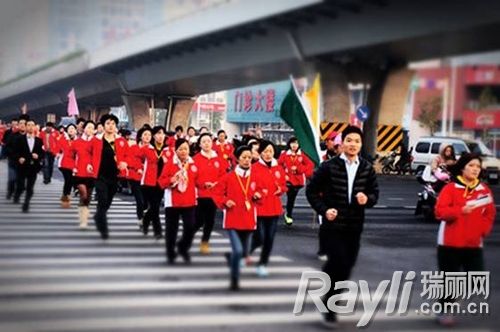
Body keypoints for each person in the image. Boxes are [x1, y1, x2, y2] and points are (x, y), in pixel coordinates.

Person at [306, 125, 379, 328]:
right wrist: (324, 210)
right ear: (342, 143)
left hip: (354, 225)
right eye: (349, 140)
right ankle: (330, 308)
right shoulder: (329, 167)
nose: (352, 144)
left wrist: (367, 199)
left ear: (361, 144)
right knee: (338, 261)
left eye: (356, 141)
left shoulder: (366, 168)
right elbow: (311, 191)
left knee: (347, 266)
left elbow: (374, 193)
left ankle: (328, 296)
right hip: (333, 225)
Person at [434, 153, 495, 326]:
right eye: (471, 165)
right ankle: (445, 309)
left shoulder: (483, 190)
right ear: (462, 168)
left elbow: (490, 214)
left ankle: (452, 302)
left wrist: (483, 230)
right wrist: (461, 210)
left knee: (476, 278)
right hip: (449, 242)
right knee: (449, 279)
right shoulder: (451, 188)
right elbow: (440, 212)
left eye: (477, 166)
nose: (475, 169)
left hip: (474, 243)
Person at [214, 146, 262, 291]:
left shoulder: (255, 177)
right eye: (244, 157)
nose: (247, 160)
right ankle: (234, 279)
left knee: (244, 253)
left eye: (249, 157)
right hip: (232, 219)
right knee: (239, 251)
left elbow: (262, 191)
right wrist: (225, 201)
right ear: (237, 159)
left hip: (248, 220)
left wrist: (259, 195)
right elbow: (217, 194)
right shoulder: (229, 177)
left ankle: (232, 257)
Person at [158, 138, 199, 264]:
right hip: (173, 202)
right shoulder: (170, 164)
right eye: (180, 149)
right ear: (176, 150)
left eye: (185, 148)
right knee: (172, 230)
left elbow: (199, 180)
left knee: (190, 227)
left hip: (189, 201)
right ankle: (170, 252)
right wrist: (171, 180)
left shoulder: (193, 164)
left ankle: (182, 247)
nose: (183, 151)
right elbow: (161, 182)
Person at [88, 114, 129, 240]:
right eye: (108, 123)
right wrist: (89, 164)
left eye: (113, 124)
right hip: (100, 175)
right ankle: (103, 229)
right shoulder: (96, 140)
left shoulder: (121, 141)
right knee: (103, 199)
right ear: (103, 125)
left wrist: (125, 163)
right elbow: (88, 152)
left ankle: (99, 215)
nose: (110, 126)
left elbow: (129, 155)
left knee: (108, 202)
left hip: (115, 176)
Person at [251, 140, 287, 277]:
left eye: (270, 151)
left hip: (274, 208)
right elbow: (249, 186)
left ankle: (262, 264)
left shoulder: (278, 168)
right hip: (259, 208)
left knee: (269, 238)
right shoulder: (254, 168)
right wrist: (255, 193)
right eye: (265, 151)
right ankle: (244, 253)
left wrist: (281, 189)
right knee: (259, 237)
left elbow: (284, 185)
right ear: (260, 153)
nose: (268, 154)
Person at [193, 133, 226, 254]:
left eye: (208, 141)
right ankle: (188, 237)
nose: (207, 143)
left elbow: (224, 175)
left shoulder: (219, 159)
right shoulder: (195, 159)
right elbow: (192, 176)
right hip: (200, 195)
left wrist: (216, 183)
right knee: (198, 220)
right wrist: (202, 184)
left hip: (213, 194)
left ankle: (205, 242)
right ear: (200, 144)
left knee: (210, 220)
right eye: (204, 141)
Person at [140, 126, 170, 239]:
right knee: (155, 206)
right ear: (154, 136)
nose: (160, 136)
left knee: (155, 206)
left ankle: (146, 220)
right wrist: (139, 168)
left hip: (161, 183)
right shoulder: (147, 148)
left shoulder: (168, 150)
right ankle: (158, 231)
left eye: (162, 134)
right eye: (158, 133)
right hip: (148, 182)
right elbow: (135, 158)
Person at [278, 137, 314, 226]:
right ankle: (288, 214)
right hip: (288, 180)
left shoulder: (302, 155)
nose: (294, 145)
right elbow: (279, 165)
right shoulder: (285, 154)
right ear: (289, 144)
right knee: (290, 197)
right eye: (293, 143)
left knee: (292, 197)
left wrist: (299, 169)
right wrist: (284, 174)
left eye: (296, 143)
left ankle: (288, 213)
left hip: (298, 181)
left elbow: (310, 165)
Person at [13, 119, 45, 212]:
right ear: (26, 127)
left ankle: (26, 203)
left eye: (32, 125)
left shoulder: (39, 140)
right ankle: (17, 195)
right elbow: (14, 152)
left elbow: (42, 153)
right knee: (21, 186)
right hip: (22, 167)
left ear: (35, 127)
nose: (31, 127)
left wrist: (38, 156)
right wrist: (19, 158)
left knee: (30, 187)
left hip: (33, 167)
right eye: (29, 125)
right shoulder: (19, 139)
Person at [72, 120, 96, 229]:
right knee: (83, 194)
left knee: (88, 197)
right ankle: (82, 220)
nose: (90, 130)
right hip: (79, 173)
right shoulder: (77, 142)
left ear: (94, 130)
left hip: (91, 174)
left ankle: (84, 218)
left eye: (92, 128)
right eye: (88, 127)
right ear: (84, 129)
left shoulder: (97, 142)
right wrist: (73, 167)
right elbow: (70, 155)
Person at [127, 127, 148, 230]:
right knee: (140, 200)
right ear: (140, 136)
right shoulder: (133, 148)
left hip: (148, 178)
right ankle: (141, 219)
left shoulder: (152, 149)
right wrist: (139, 168)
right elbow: (130, 161)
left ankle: (144, 215)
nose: (147, 137)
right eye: (145, 135)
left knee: (146, 201)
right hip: (136, 177)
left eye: (149, 135)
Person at [57, 124, 77, 208]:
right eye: (69, 129)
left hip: (74, 164)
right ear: (67, 130)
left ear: (75, 130)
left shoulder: (78, 140)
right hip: (64, 163)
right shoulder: (63, 139)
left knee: (71, 181)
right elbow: (58, 147)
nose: (71, 130)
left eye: (73, 128)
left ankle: (66, 195)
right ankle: (65, 198)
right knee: (68, 180)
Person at [3, 116, 23, 199]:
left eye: (16, 124)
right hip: (12, 159)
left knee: (19, 178)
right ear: (11, 124)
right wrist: (9, 154)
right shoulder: (9, 133)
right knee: (12, 177)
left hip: (21, 160)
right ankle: (10, 191)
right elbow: (6, 145)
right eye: (13, 124)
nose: (15, 126)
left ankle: (17, 194)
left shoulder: (22, 135)